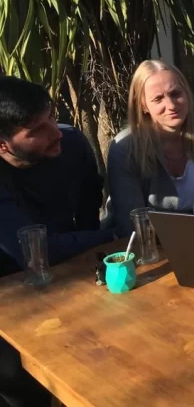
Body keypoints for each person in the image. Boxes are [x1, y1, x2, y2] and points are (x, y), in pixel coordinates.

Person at [0, 76, 113, 407]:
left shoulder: (73, 144)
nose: (55, 132)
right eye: (36, 130)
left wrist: (93, 248)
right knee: (22, 385)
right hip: (10, 293)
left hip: (70, 271)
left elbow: (89, 201)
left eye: (51, 115)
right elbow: (34, 251)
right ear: (3, 144)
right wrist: (107, 236)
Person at [106, 60, 194, 235]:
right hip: (145, 244)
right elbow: (131, 220)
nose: (171, 105)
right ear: (143, 105)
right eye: (158, 99)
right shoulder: (125, 148)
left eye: (176, 93)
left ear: (187, 93)